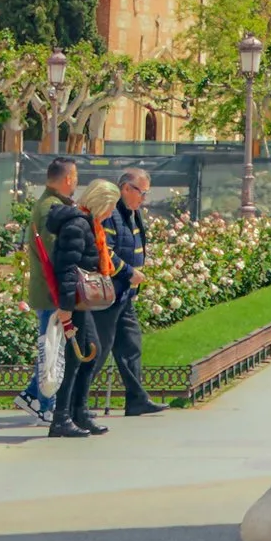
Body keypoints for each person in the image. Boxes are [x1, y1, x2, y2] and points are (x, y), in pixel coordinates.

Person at [45, 181, 117, 439]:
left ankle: (79, 412)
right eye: (110, 206)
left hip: (80, 300)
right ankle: (61, 418)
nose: (111, 212)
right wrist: (65, 308)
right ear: (100, 202)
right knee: (77, 357)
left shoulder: (88, 224)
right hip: (74, 301)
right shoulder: (78, 225)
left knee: (90, 353)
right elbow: (66, 268)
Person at [17, 155, 78, 416]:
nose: (76, 182)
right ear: (68, 179)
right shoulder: (50, 209)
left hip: (49, 288)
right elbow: (56, 255)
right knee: (50, 351)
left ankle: (31, 396)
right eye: (75, 177)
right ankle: (45, 406)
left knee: (52, 348)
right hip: (51, 290)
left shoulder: (50, 204)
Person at [103, 168, 162, 418]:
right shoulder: (111, 213)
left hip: (125, 293)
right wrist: (128, 272)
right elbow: (105, 251)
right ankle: (73, 405)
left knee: (131, 345)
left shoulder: (131, 212)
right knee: (99, 350)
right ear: (126, 189)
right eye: (142, 192)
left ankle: (136, 400)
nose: (144, 198)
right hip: (110, 292)